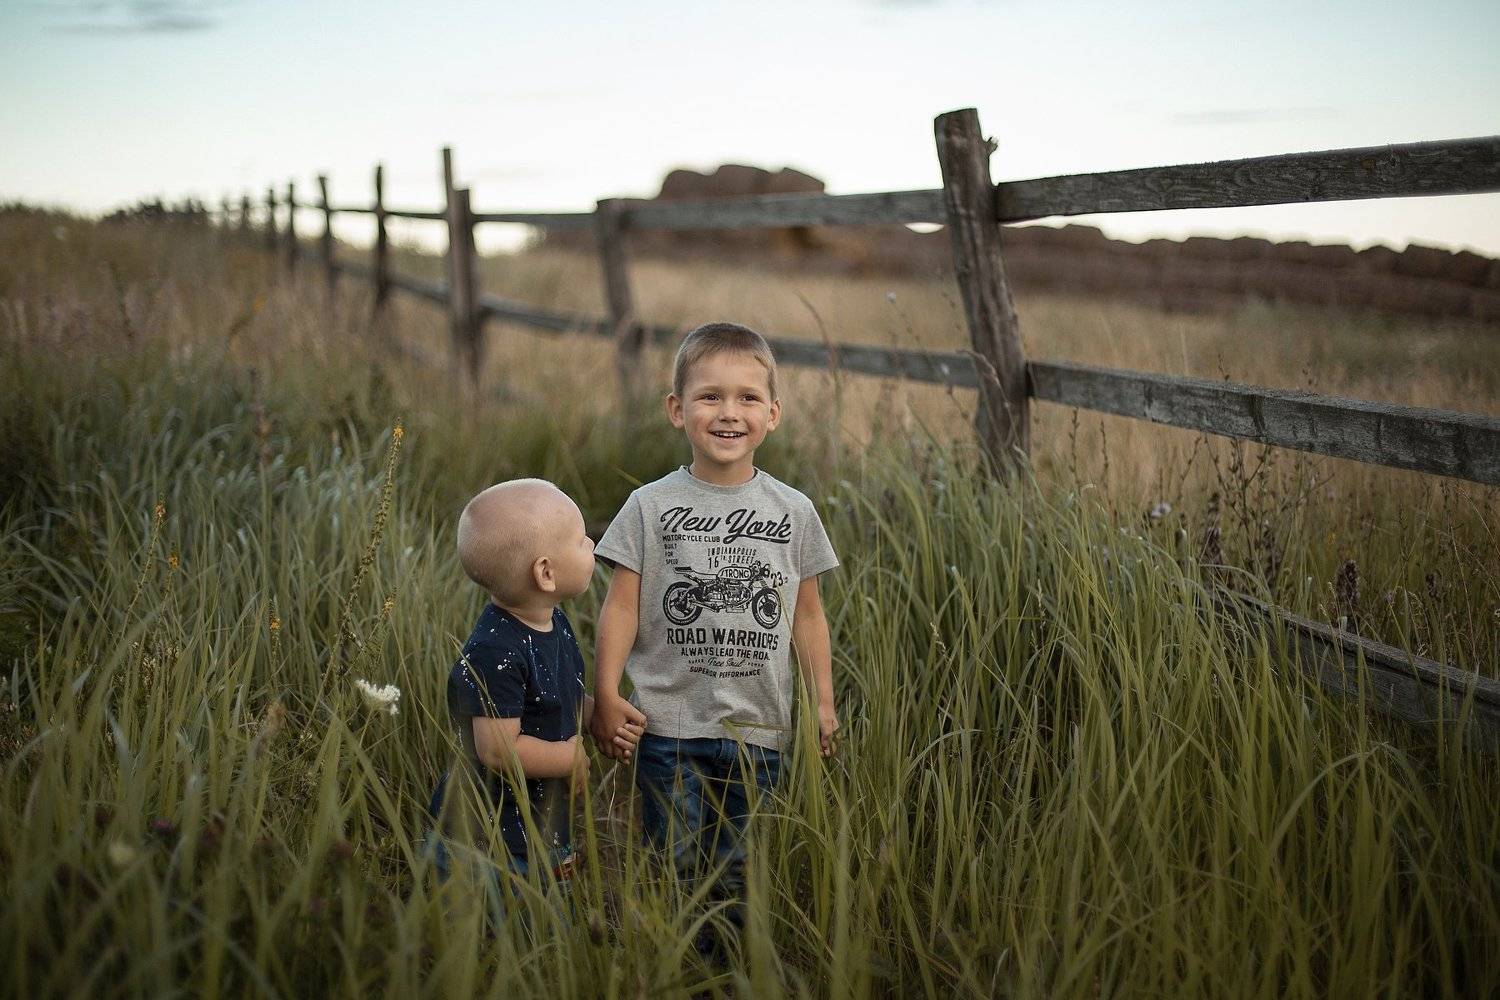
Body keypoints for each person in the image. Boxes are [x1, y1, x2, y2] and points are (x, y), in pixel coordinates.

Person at [589, 322, 840, 957]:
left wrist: (822, 703)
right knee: (672, 867)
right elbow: (621, 606)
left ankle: (725, 974)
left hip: (760, 730)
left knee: (738, 873)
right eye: (710, 396)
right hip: (668, 727)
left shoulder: (793, 511)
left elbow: (807, 616)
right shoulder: (649, 506)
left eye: (747, 397)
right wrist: (606, 692)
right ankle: (673, 967)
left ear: (772, 414)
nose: (729, 412)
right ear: (677, 409)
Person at [427, 478, 642, 911]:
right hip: (488, 836)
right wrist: (570, 757)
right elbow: (497, 749)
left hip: (538, 819)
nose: (590, 544)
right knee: (498, 922)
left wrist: (595, 714)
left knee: (544, 912)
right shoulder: (494, 651)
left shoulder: (553, 622)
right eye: (580, 540)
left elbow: (552, 696)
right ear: (545, 573)